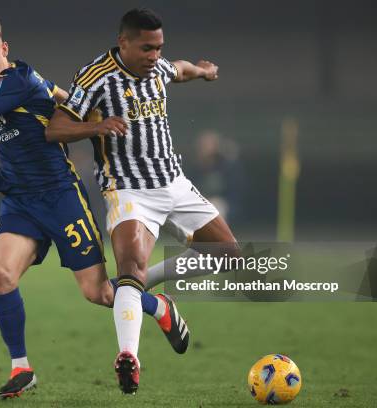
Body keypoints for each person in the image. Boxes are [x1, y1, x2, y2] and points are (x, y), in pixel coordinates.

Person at [0, 15, 187, 399]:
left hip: (62, 198)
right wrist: (87, 112)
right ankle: (21, 367)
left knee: (100, 294)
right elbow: (61, 96)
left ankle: (158, 307)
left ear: (3, 49)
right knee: (2, 275)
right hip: (20, 202)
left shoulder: (15, 81)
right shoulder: (30, 77)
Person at [46, 7, 239, 394]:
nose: (155, 56)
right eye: (147, 48)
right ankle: (129, 356)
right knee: (131, 265)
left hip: (175, 182)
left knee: (228, 255)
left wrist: (202, 71)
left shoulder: (158, 68)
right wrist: (96, 126)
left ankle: (146, 293)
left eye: (159, 48)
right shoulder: (96, 76)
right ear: (124, 42)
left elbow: (177, 69)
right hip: (129, 190)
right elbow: (56, 129)